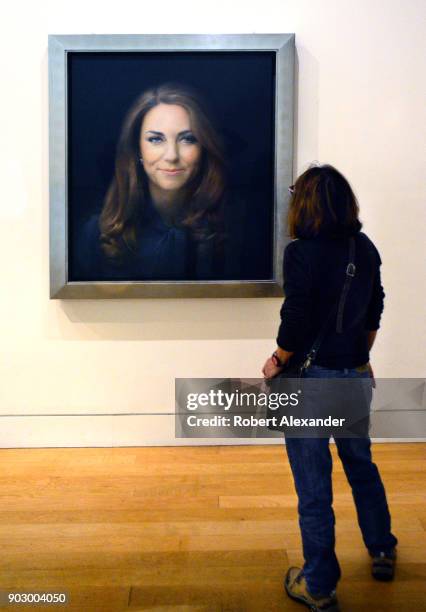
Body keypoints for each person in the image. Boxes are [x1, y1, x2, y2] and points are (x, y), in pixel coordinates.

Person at [262, 164, 398, 612]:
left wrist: (278, 359)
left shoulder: (301, 253)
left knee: (314, 483)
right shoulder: (366, 247)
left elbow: (296, 317)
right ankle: (381, 549)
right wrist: (360, 356)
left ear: (305, 203)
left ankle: (318, 585)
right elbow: (374, 310)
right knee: (361, 464)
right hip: (355, 374)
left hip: (310, 381)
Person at [75, 83, 243, 281]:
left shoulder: (236, 228)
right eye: (156, 140)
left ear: (204, 147)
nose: (172, 155)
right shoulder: (96, 233)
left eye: (188, 139)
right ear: (137, 149)